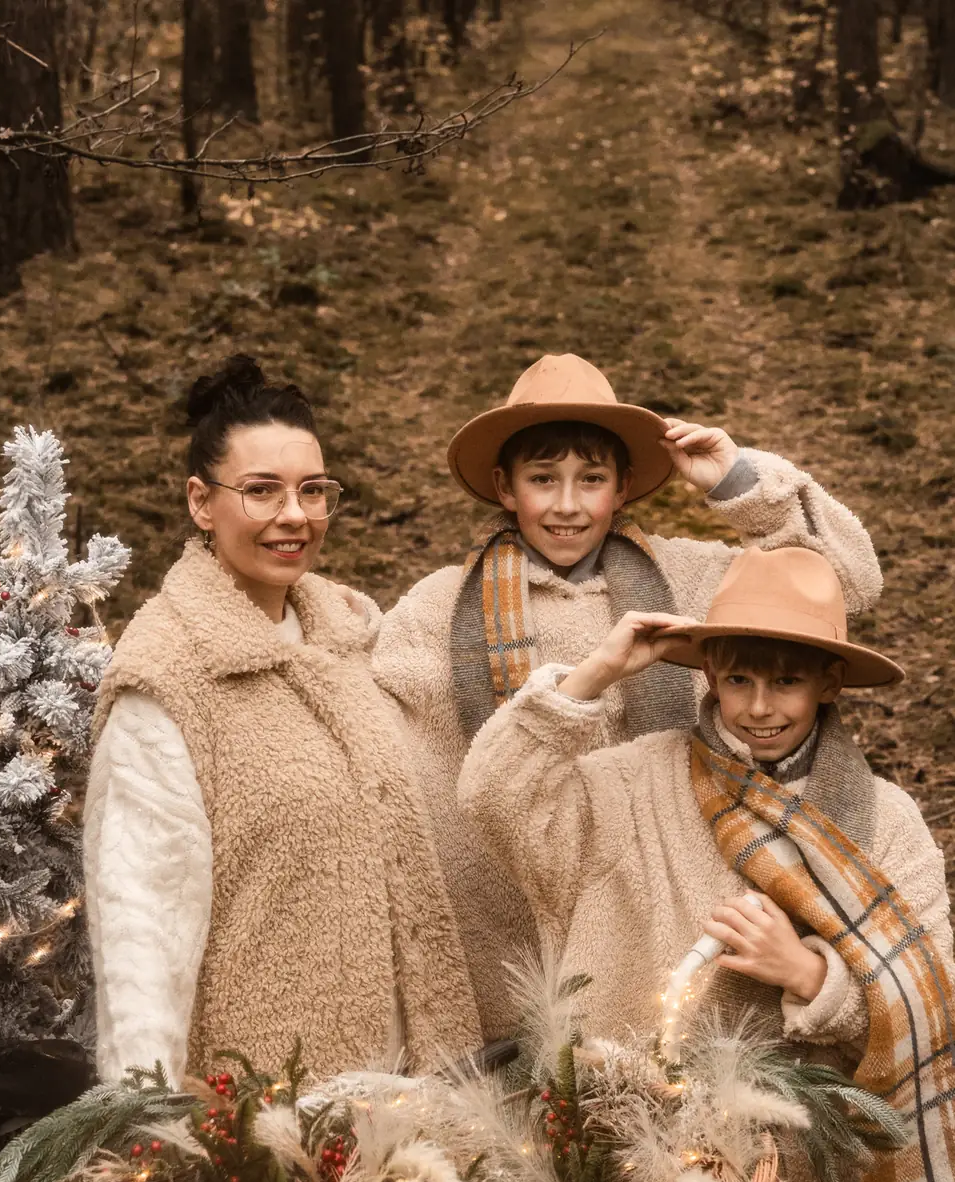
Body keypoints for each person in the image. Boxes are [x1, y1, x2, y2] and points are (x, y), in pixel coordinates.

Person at [457, 546, 955, 1182]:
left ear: (826, 684)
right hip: (659, 1173)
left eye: (786, 679)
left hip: (809, 1177)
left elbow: (932, 978)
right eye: (738, 676)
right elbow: (494, 794)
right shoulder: (624, 788)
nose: (761, 705)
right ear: (706, 676)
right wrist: (590, 676)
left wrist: (811, 973)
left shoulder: (881, 821)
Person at [83, 353, 483, 1182]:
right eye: (261, 490)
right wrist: (158, 1137)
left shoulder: (338, 637)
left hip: (401, 1101)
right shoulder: (166, 690)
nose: (293, 515)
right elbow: (140, 932)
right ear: (198, 501)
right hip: (265, 1117)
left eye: (314, 490)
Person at [372, 353, 884, 1043]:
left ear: (622, 488)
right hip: (504, 923)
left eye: (591, 480)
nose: (566, 504)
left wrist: (737, 482)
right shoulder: (436, 610)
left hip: (668, 908)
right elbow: (379, 753)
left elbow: (843, 585)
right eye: (541, 479)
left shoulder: (693, 578)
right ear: (503, 485)